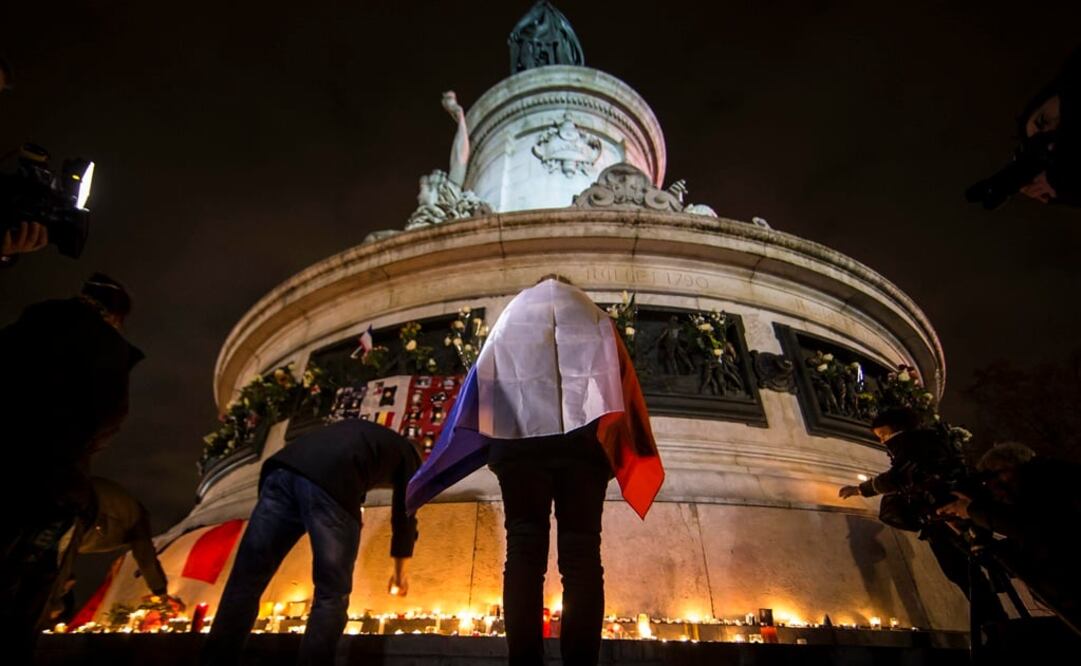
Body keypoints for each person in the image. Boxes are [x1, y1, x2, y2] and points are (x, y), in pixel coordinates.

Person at [407, 275, 665, 666]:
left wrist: (481, 444)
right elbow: (621, 381)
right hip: (583, 448)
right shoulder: (593, 316)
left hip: (519, 447)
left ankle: (523, 661)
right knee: (582, 555)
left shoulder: (511, 317)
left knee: (524, 551)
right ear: (571, 287)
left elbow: (483, 382)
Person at [0, 274, 142, 660]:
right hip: (50, 482)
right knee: (27, 584)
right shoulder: (104, 344)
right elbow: (109, 415)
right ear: (116, 316)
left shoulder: (28, 325)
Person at [201, 419, 421, 666]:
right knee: (331, 594)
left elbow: (346, 468)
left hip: (282, 472)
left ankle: (216, 659)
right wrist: (400, 575)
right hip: (332, 483)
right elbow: (405, 515)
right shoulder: (409, 456)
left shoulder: (367, 437)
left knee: (246, 581)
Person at [838, 407, 1006, 624]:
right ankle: (998, 625)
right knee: (969, 575)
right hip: (949, 513)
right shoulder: (931, 441)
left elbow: (900, 476)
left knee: (964, 574)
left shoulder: (910, 445)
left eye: (883, 435)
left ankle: (997, 628)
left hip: (943, 516)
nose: (882, 442)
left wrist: (861, 489)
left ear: (897, 429)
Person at [938, 442, 1081, 636]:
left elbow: (1039, 529)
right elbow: (1024, 554)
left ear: (1011, 467)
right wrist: (968, 535)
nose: (994, 488)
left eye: (994, 476)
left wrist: (972, 510)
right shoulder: (1033, 498)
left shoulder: (1054, 484)